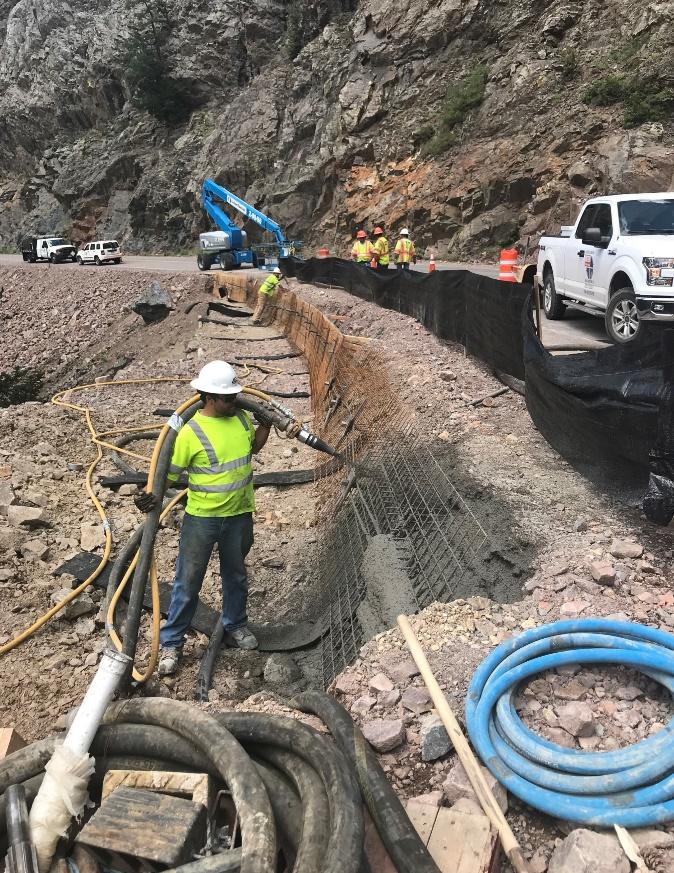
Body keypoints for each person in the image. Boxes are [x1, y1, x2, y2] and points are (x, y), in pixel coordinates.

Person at [135, 360, 276, 676]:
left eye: (235, 396)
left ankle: (236, 624)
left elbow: (252, 448)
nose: (235, 401)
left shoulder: (240, 419)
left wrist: (264, 426)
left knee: (236, 575)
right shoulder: (190, 433)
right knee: (188, 583)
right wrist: (147, 494)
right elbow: (166, 476)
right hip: (202, 519)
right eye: (228, 397)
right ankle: (171, 642)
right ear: (209, 397)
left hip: (239, 514)